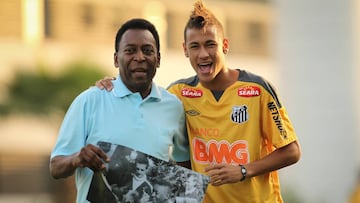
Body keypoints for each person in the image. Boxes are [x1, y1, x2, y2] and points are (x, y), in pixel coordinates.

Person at [95, 0, 301, 202]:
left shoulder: (257, 90)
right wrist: (115, 84)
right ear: (185, 49)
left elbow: (292, 151)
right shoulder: (178, 93)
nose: (203, 54)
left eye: (210, 44)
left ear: (225, 45)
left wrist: (243, 170)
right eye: (195, 46)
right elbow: (142, 104)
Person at [49, 18, 190, 203]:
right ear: (116, 59)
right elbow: (56, 167)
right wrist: (77, 158)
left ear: (158, 59)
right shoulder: (89, 101)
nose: (139, 57)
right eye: (130, 50)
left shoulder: (174, 107)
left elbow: (184, 166)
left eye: (147, 50)